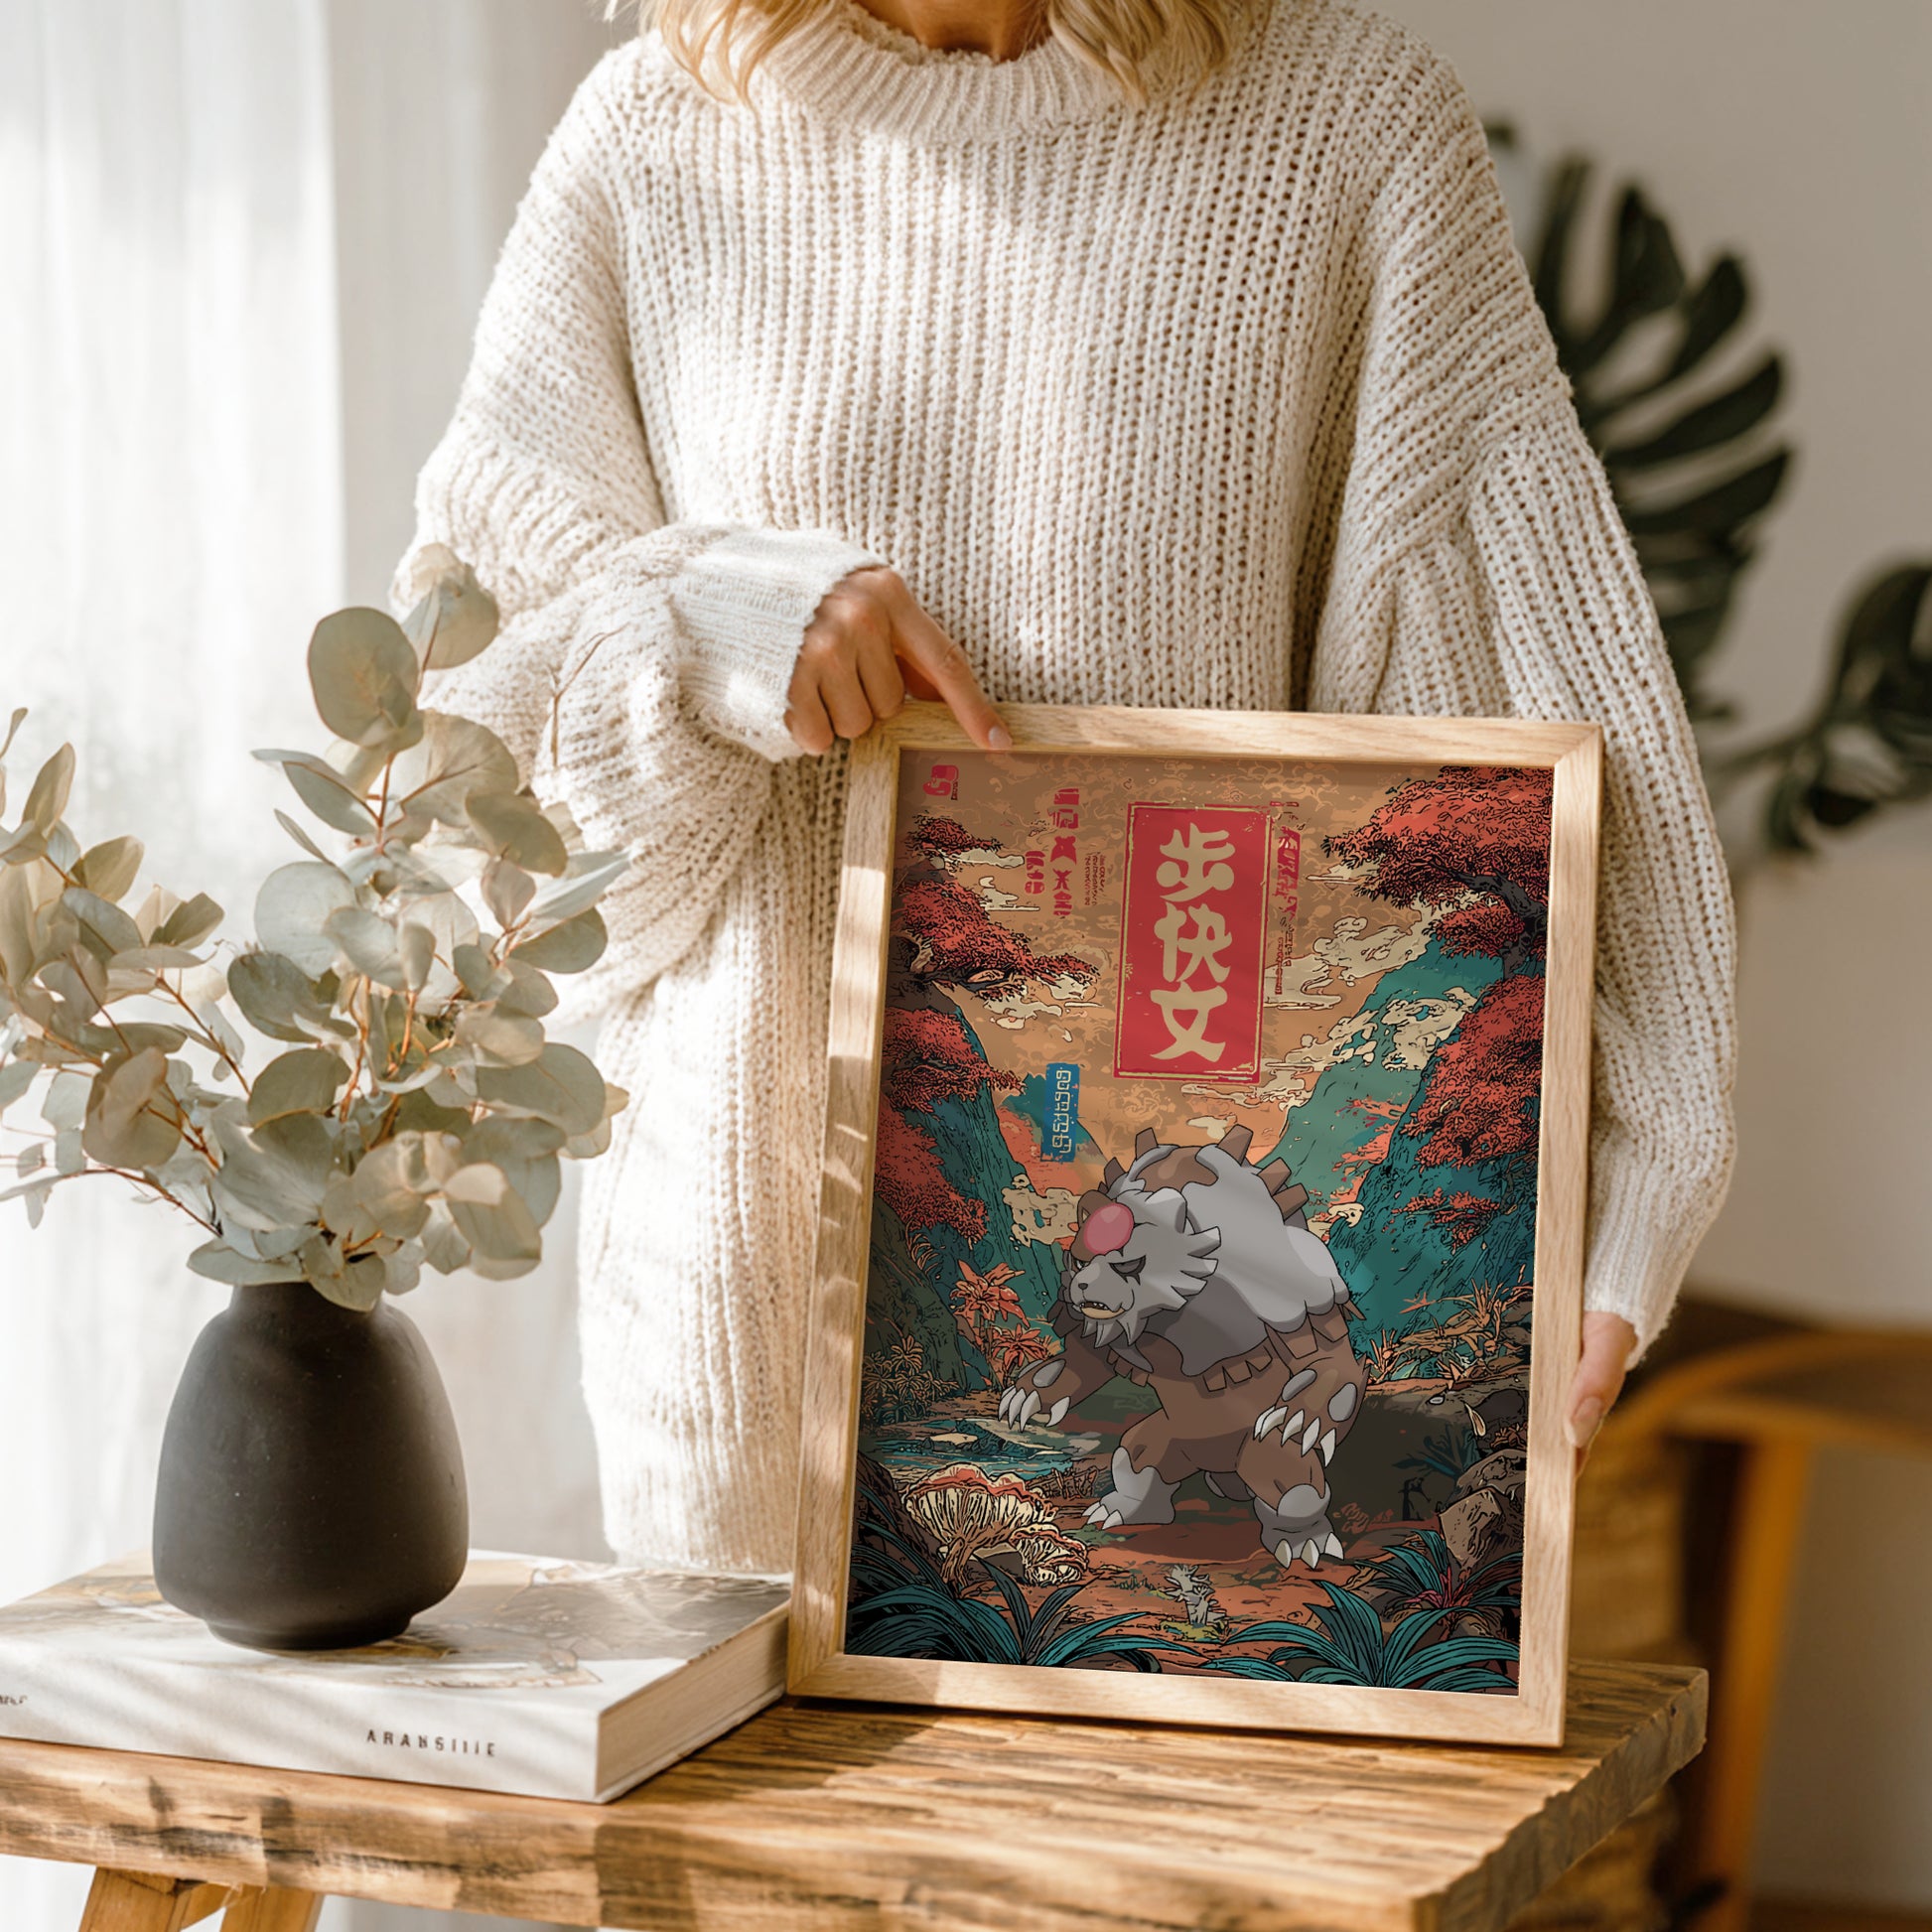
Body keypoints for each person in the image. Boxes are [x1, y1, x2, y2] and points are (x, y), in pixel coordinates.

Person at [394, 0, 1736, 1576]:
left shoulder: (1342, 126)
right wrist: (706, 619)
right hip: (737, 1334)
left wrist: (1625, 1171)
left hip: (1207, 1356)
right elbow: (466, 818)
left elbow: (1523, 705)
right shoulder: (650, 139)